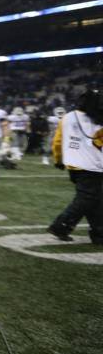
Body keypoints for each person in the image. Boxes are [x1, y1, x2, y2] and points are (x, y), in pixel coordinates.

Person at [47, 89, 103, 245]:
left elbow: (58, 141)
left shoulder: (68, 117)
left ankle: (99, 233)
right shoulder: (99, 119)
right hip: (93, 166)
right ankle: (61, 225)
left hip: (73, 165)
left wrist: (58, 159)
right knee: (87, 198)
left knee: (95, 199)